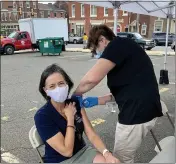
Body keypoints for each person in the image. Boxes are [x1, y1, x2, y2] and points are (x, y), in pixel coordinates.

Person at [72, 25, 163, 163]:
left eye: (95, 50)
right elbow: (124, 91)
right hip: (148, 110)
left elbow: (91, 80)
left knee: (120, 158)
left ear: (102, 40)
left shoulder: (116, 46)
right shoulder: (126, 48)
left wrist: (75, 94)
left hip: (135, 114)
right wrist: (96, 100)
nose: (97, 54)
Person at [34, 64, 120, 163]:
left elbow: (90, 133)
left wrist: (106, 154)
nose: (58, 88)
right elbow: (67, 152)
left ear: (67, 84)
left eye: (61, 83)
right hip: (60, 160)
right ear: (46, 90)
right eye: (52, 86)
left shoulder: (74, 103)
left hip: (82, 152)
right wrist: (70, 118)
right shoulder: (43, 116)